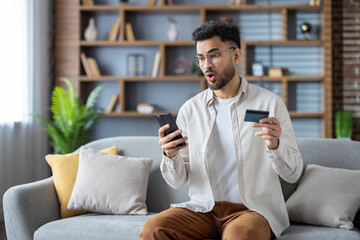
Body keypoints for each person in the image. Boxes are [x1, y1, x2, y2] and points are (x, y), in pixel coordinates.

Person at [140, 20, 303, 240]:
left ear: (236, 56)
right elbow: (177, 181)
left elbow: (292, 173)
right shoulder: (191, 110)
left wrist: (276, 146)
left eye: (214, 55)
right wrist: (170, 156)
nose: (206, 65)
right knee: (153, 229)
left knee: (239, 235)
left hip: (251, 211)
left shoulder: (269, 104)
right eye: (200, 58)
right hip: (203, 209)